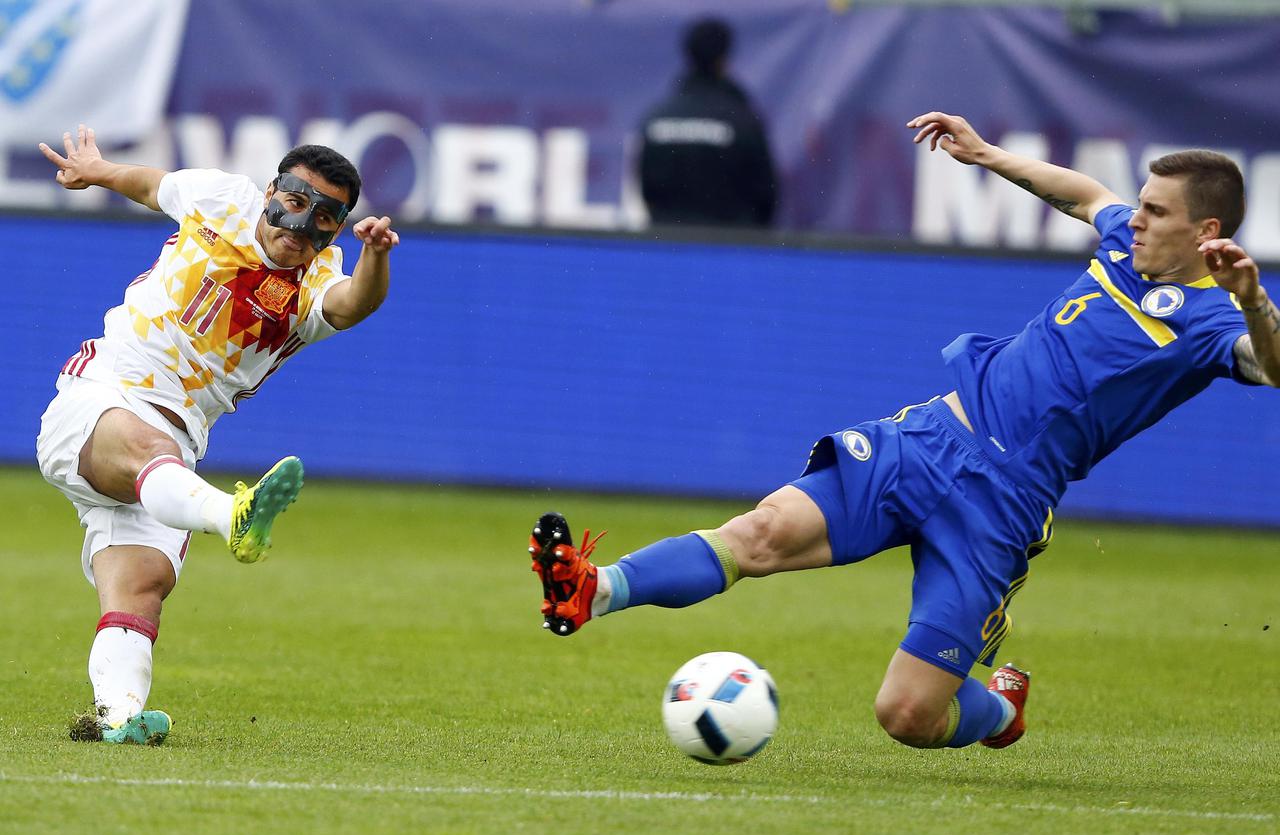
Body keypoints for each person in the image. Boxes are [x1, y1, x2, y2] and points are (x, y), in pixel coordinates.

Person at [528, 111, 1273, 752]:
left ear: (1206, 230)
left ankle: (999, 710)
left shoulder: (1213, 319)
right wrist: (985, 155)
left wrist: (1254, 301)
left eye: (1156, 211)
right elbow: (1085, 194)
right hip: (931, 438)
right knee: (761, 532)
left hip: (1003, 502)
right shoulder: (1124, 243)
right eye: (1140, 205)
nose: (1135, 217)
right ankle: (594, 589)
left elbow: (1272, 365)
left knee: (908, 714)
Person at [36, 125, 399, 745]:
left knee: (141, 588)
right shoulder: (219, 198)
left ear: (338, 229)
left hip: (175, 453)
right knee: (150, 450)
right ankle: (232, 513)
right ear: (271, 190)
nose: (302, 224)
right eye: (296, 200)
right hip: (105, 396)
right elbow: (152, 186)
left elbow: (352, 305)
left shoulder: (318, 284)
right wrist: (98, 171)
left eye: (326, 218)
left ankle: (117, 717)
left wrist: (377, 256)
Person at [638, 17, 777, 228]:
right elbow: (766, 194)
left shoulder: (657, 118)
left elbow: (647, 190)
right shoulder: (743, 120)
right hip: (730, 248)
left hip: (668, 246)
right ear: (724, 58)